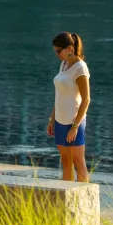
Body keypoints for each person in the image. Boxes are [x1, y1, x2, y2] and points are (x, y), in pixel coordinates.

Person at [47, 32, 91, 182]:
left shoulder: (80, 68)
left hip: (74, 121)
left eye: (59, 51)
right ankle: (66, 202)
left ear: (70, 48)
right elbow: (60, 95)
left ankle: (83, 201)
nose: (57, 54)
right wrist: (51, 119)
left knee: (79, 163)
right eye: (55, 51)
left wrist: (75, 126)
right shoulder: (64, 64)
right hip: (60, 120)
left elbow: (86, 100)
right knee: (66, 163)